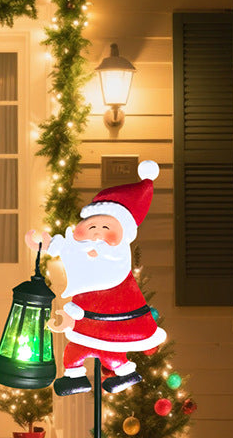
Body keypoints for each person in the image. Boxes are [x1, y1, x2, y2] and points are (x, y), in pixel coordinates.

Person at [26, 159, 166, 397]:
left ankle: (124, 372)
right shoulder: (80, 253)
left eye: (106, 229)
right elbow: (66, 247)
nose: (97, 235)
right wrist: (45, 244)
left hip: (113, 328)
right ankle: (78, 378)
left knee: (111, 353)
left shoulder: (118, 275)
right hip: (85, 327)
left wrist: (73, 313)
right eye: (92, 228)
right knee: (73, 352)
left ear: (123, 236)